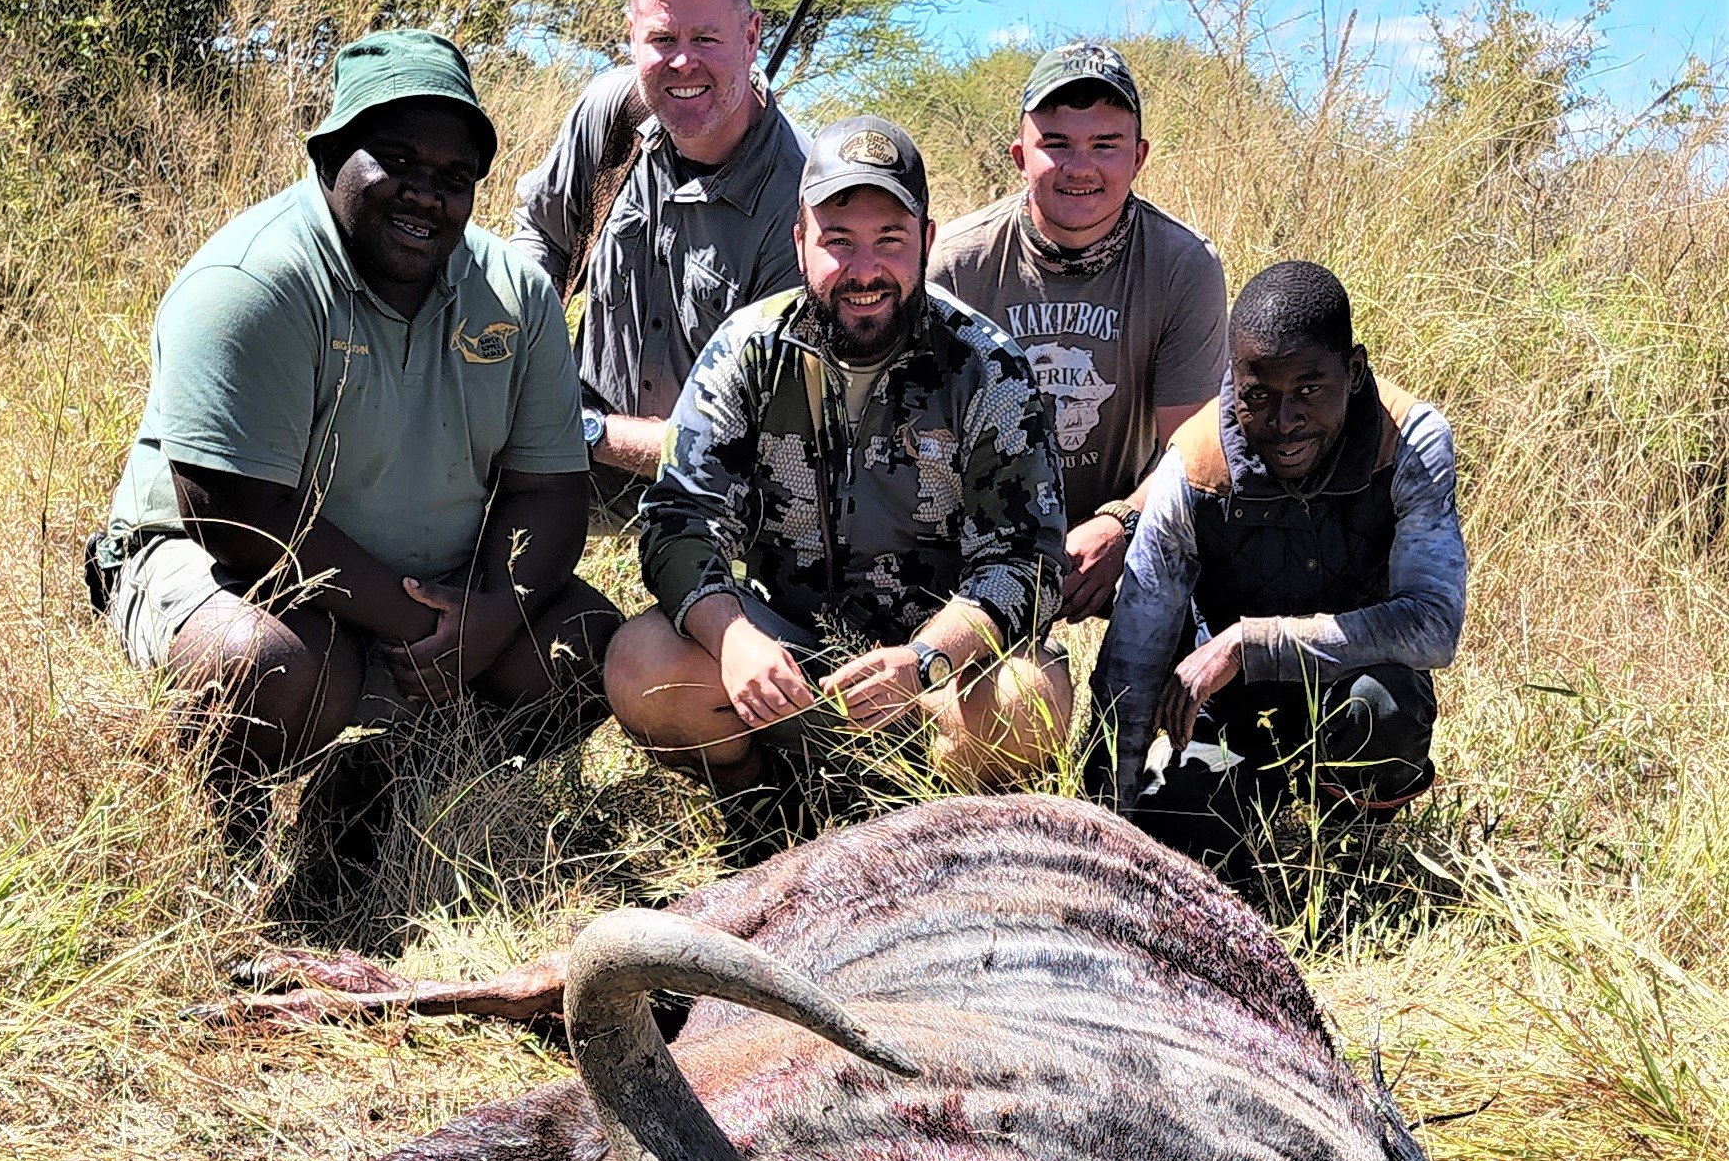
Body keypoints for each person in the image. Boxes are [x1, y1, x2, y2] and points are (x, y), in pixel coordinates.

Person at [95, 29, 611, 784]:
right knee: (273, 668)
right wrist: (428, 629)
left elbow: (552, 490)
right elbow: (232, 514)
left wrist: (495, 612)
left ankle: (394, 790)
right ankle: (235, 825)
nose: (426, 193)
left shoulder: (516, 292)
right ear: (330, 157)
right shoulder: (255, 280)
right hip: (238, 571)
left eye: (454, 174)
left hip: (439, 587)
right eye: (396, 161)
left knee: (592, 643)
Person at [604, 117, 1069, 838]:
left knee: (1029, 696)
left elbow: (1025, 564)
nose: (864, 270)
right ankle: (763, 808)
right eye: (837, 241)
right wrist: (734, 641)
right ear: (799, 243)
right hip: (789, 670)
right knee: (641, 662)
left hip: (930, 683)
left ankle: (935, 833)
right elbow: (679, 521)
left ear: (927, 242)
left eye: (889, 240)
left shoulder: (987, 365)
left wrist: (925, 660)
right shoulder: (748, 352)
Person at [1100, 258, 1466, 861]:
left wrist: (1252, 644)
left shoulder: (1409, 440)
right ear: (1232, 380)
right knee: (1183, 824)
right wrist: (1112, 815)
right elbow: (1133, 659)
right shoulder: (1193, 464)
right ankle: (1240, 807)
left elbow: (1433, 627)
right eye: (1258, 397)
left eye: (1308, 391)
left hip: (1348, 688)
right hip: (1224, 704)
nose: (1284, 421)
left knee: (1384, 711)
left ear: (1353, 371)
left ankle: (1351, 850)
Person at [930, 42, 1226, 624]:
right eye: (1056, 144)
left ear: (1139, 157)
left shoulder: (1183, 265)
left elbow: (1191, 450)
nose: (1079, 166)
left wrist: (1124, 523)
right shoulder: (955, 266)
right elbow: (928, 444)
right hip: (983, 524)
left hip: (1130, 520)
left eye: (1105, 145)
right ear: (1020, 155)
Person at [509, 0, 807, 495]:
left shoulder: (799, 196)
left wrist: (583, 430)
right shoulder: (610, 114)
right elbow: (541, 236)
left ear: (751, 38)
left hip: (716, 485)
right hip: (576, 447)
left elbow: (753, 438)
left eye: (707, 40)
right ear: (631, 36)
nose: (682, 63)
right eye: (663, 40)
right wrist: (521, 368)